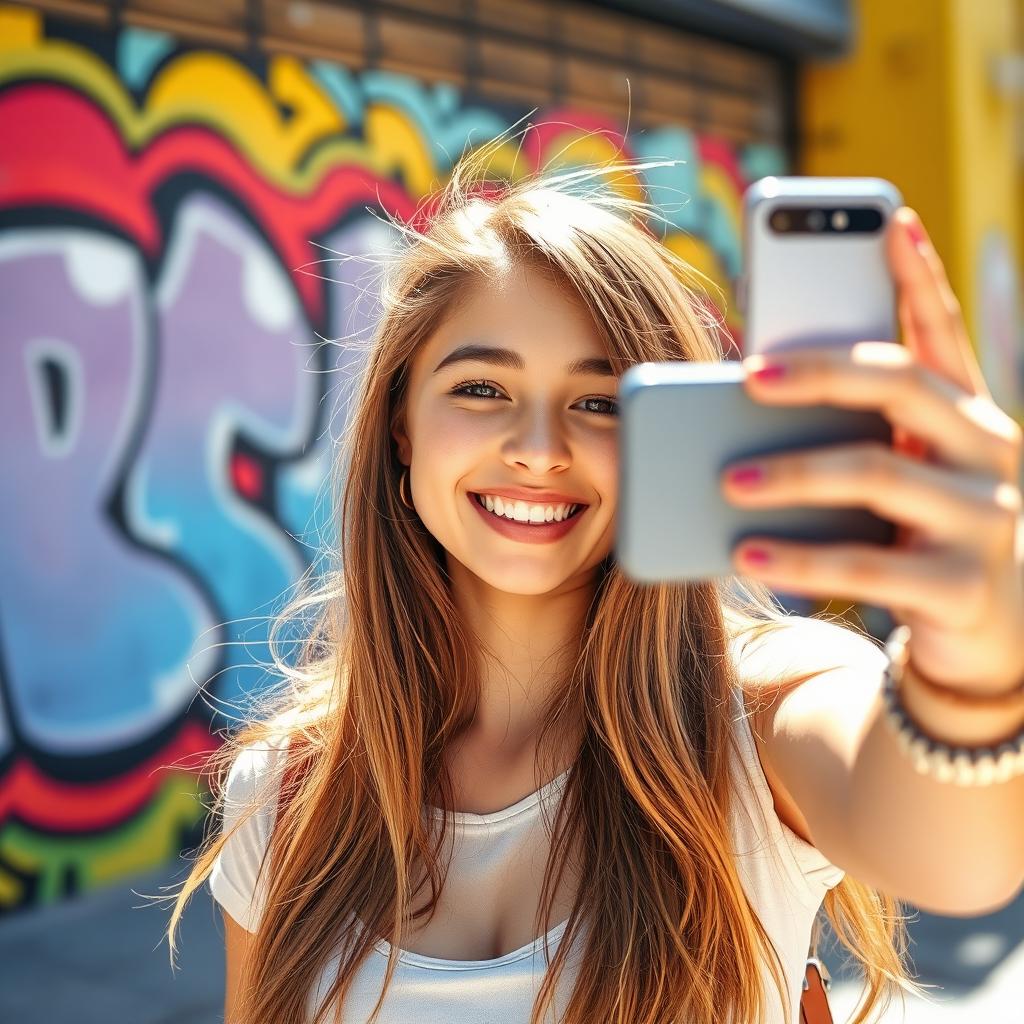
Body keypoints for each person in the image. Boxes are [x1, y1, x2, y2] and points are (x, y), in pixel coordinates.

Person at [166, 137, 1024, 1024]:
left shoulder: (757, 719)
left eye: (600, 402)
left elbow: (959, 860)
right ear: (400, 429)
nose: (538, 450)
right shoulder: (288, 786)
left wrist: (970, 655)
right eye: (481, 391)